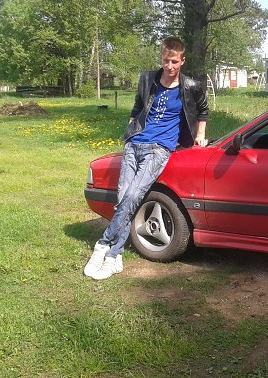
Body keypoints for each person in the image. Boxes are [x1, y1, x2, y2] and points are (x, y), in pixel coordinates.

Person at [84, 36, 208, 280]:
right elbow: (137, 108)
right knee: (124, 199)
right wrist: (131, 131)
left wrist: (200, 135)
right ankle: (114, 257)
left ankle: (103, 244)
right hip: (134, 145)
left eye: (174, 61)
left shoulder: (191, 86)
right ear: (161, 58)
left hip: (159, 149)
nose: (169, 66)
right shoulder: (148, 80)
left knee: (133, 197)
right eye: (166, 61)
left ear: (182, 60)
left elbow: (202, 110)